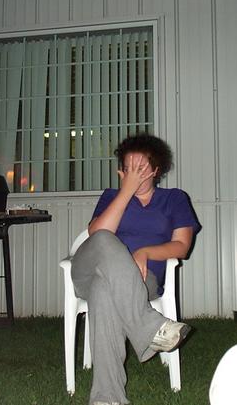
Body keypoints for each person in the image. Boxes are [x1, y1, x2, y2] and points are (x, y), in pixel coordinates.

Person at [70, 133, 201, 405]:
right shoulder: (112, 196)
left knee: (103, 292)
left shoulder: (174, 199)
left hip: (143, 279)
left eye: (140, 168)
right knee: (104, 238)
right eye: (128, 168)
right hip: (89, 269)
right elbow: (96, 233)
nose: (134, 174)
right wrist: (126, 191)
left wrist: (145, 252)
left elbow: (181, 246)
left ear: (156, 170)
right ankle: (150, 328)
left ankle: (107, 399)